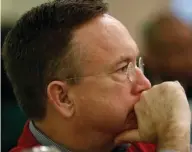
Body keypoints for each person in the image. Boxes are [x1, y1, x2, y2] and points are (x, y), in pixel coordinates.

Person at [2, 1, 191, 152]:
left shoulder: (150, 143)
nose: (145, 83)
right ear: (63, 97)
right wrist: (175, 137)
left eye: (137, 64)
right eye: (123, 68)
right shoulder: (168, 141)